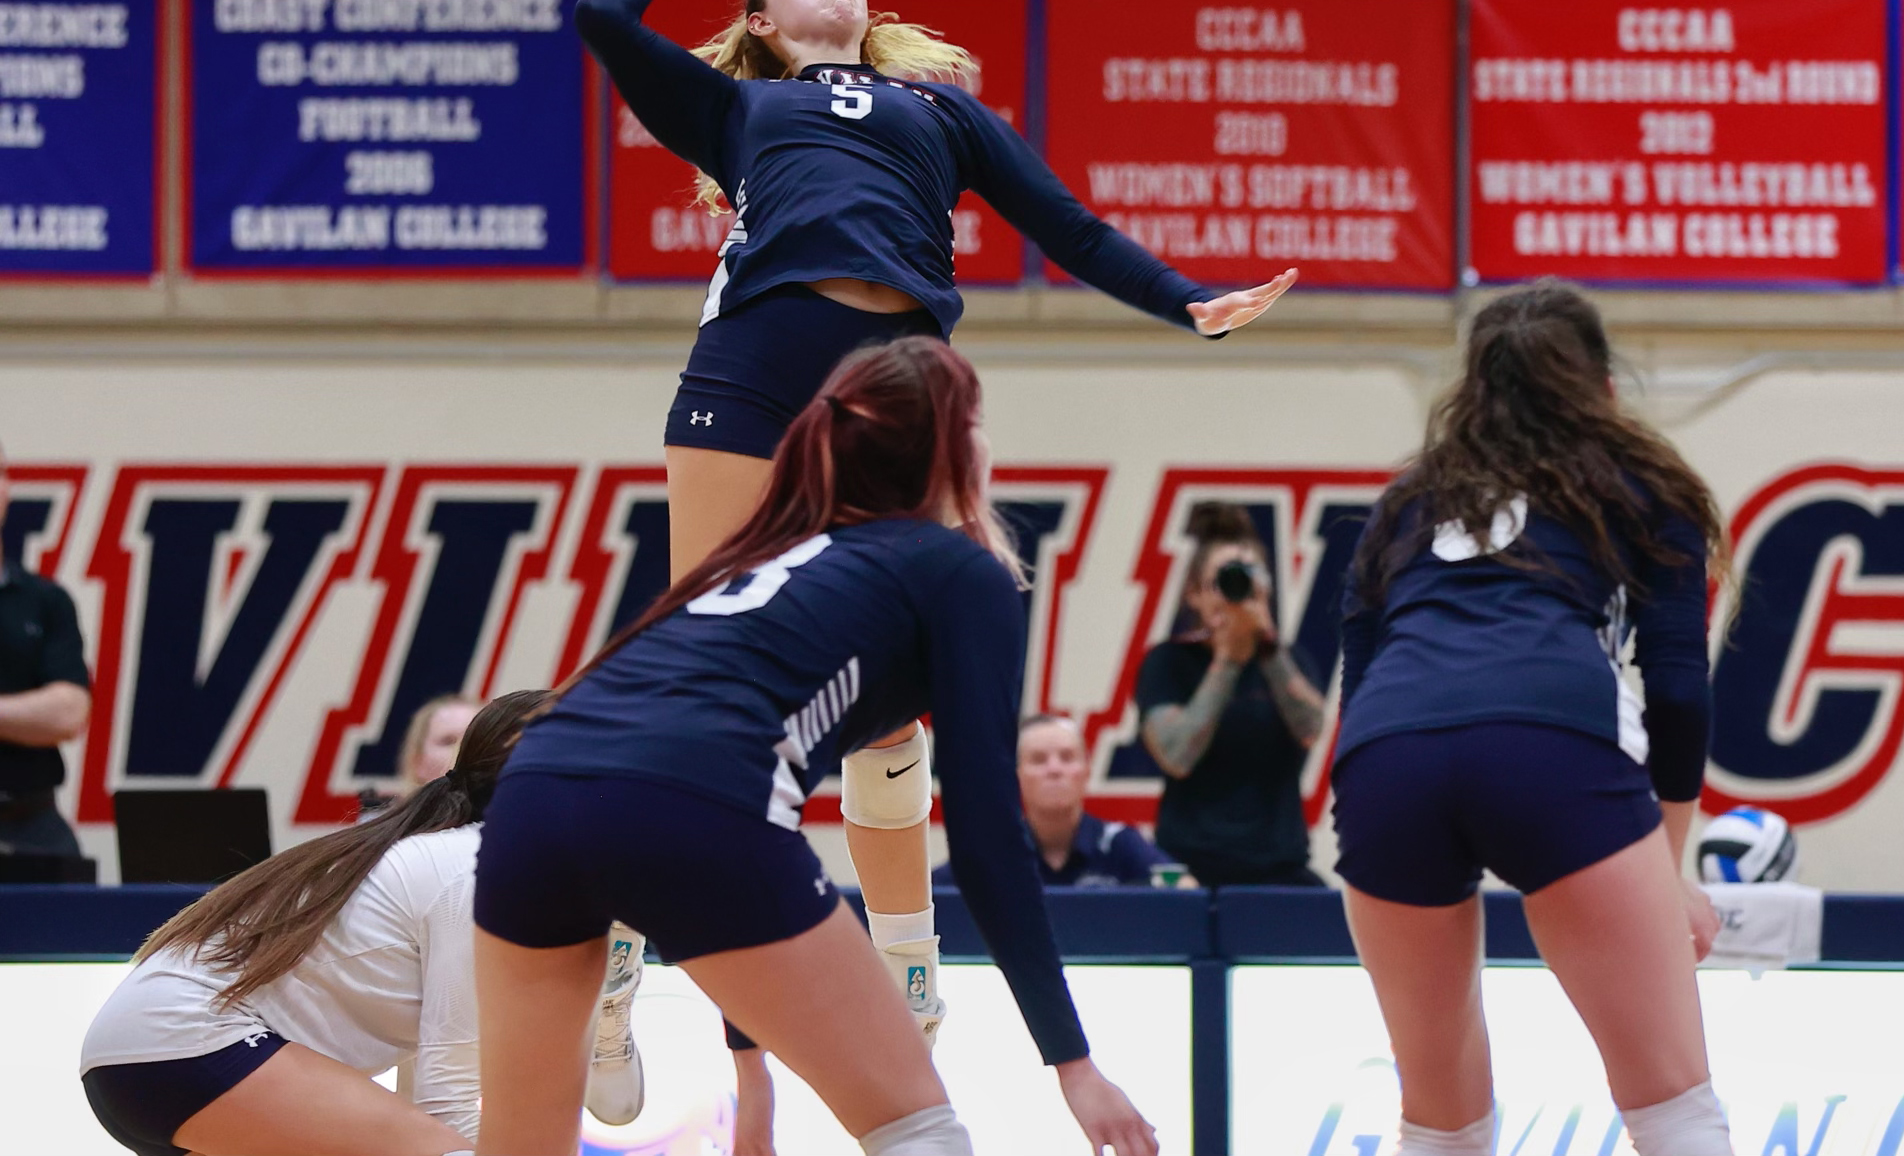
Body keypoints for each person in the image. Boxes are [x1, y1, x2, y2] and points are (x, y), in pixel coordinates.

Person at [577, 0, 1291, 1109]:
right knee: (693, 685)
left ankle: (907, 961)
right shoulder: (736, 107)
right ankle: (619, 963)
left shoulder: (943, 114)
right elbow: (604, 17)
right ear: (759, 20)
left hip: (896, 390)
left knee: (893, 699)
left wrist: (1186, 304)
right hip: (750, 374)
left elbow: (1067, 226)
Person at [469, 338, 1157, 1156]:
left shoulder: (753, 557)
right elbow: (984, 837)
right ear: (956, 445)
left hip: (534, 792)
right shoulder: (955, 571)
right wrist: (1070, 1060)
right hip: (692, 806)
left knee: (518, 1149)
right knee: (921, 1133)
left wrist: (753, 1075)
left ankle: (622, 976)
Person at [1334, 282, 1729, 1156]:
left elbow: (1357, 696)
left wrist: (1363, 837)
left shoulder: (1402, 507)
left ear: (1472, 392)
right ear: (1604, 389)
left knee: (1441, 1122)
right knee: (1673, 1108)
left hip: (1387, 767)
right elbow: (1676, 690)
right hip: (1549, 743)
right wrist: (1664, 868)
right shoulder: (1642, 484)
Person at [78, 691, 643, 1156]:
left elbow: (433, 1091)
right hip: (187, 1049)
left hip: (139, 1061)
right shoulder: (479, 870)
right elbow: (447, 1102)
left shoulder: (456, 859)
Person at [1134, 503, 1327, 888]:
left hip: (1277, 866)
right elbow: (1176, 755)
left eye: (1247, 578)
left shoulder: (1288, 660)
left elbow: (1311, 730)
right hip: (1192, 867)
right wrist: (1227, 660)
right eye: (1222, 581)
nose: (1235, 593)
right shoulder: (1169, 662)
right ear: (1194, 594)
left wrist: (1268, 649)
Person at [937, 714, 1168, 888]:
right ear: (1015, 775)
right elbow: (932, 894)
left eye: (1067, 757)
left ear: (1087, 770)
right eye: (1038, 760)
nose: (1054, 769)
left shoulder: (1120, 842)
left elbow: (1181, 887)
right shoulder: (994, 851)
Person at [0, 442, 93, 866]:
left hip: (32, 821)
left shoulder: (44, 600)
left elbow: (68, 713)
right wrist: (22, 715)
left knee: (78, 927)